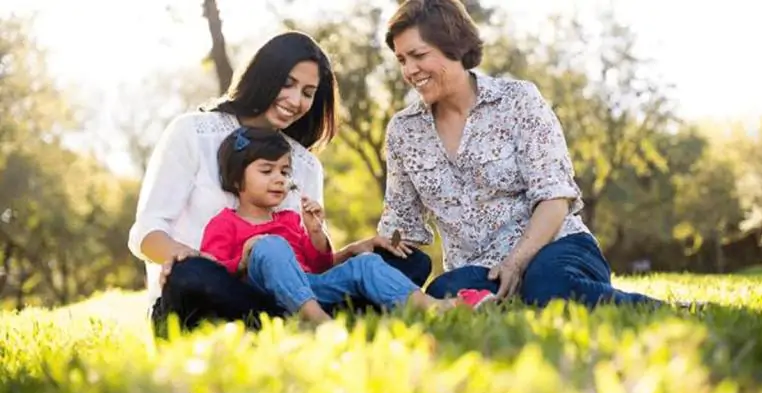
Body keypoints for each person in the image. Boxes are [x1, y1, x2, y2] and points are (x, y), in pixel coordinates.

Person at [127, 31, 433, 334]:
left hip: (287, 295)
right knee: (191, 276)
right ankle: (310, 321)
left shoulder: (304, 164)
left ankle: (296, 320)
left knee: (408, 263)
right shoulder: (193, 132)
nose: (294, 100)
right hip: (214, 289)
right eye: (287, 83)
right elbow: (147, 231)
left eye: (308, 92)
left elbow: (307, 267)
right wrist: (187, 256)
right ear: (263, 75)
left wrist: (355, 250)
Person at [377, 0, 669, 309]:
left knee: (547, 284)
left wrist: (516, 262)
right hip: (480, 269)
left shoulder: (517, 100)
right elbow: (402, 226)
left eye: (419, 55)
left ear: (455, 47)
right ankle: (514, 299)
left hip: (556, 246)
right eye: (401, 60)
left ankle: (662, 309)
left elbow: (554, 198)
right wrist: (365, 258)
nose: (409, 70)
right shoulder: (403, 131)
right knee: (443, 292)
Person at [200, 127, 490, 324]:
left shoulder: (289, 220)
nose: (279, 179)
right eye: (267, 171)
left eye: (284, 171)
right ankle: (316, 322)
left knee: (364, 263)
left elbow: (318, 265)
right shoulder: (224, 223)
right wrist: (245, 258)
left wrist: (315, 233)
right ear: (236, 179)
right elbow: (213, 274)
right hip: (263, 294)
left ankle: (431, 307)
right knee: (270, 246)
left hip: (309, 287)